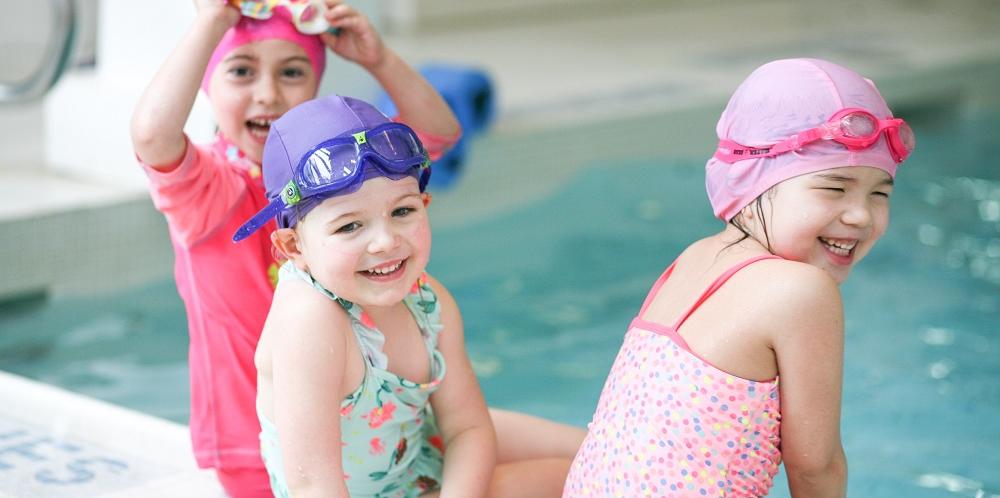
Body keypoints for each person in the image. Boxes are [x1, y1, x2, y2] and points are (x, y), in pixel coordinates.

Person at [129, 2, 461, 495]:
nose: (268, 93)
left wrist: (377, 58)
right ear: (207, 82)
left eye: (292, 72)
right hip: (257, 446)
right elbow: (154, 135)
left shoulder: (341, 176)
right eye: (241, 71)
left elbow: (438, 132)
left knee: (540, 452)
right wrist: (211, 22)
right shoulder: (210, 191)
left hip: (368, 424)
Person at [563, 58, 916, 498]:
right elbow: (815, 468)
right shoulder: (802, 291)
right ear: (751, 185)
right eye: (834, 187)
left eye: (880, 193)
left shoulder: (693, 260)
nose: (861, 215)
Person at [234, 94, 572, 498]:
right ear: (294, 247)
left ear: (425, 204)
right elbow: (312, 485)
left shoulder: (429, 300)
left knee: (597, 451)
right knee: (574, 478)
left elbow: (467, 427)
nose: (384, 241)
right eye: (349, 227)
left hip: (417, 452)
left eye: (402, 212)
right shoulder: (309, 319)